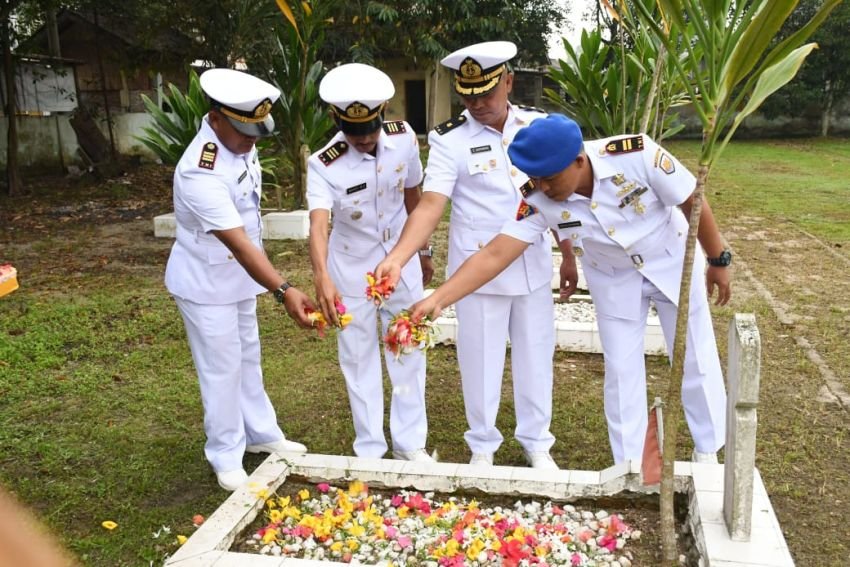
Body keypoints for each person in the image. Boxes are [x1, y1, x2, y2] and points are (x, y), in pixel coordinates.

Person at [409, 113, 731, 465]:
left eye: (549, 178)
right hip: (613, 277)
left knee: (694, 356)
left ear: (579, 161)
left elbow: (691, 200)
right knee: (621, 370)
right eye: (536, 179)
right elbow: (495, 253)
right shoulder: (538, 198)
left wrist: (717, 260)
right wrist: (438, 298)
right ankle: (631, 465)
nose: (544, 187)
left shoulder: (636, 156)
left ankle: (708, 450)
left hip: (669, 259)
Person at [374, 41, 561, 470]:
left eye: (486, 93)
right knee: (479, 360)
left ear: (509, 82)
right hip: (474, 271)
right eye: (468, 94)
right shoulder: (449, 141)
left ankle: (537, 443)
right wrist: (401, 256)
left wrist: (567, 253)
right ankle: (482, 445)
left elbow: (556, 197)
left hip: (530, 263)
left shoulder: (536, 125)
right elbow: (430, 204)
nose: (476, 103)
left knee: (536, 356)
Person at [164, 68, 315, 491]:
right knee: (221, 367)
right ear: (216, 119)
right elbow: (238, 243)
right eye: (244, 132)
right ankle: (225, 453)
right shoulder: (200, 170)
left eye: (256, 133)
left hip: (239, 278)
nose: (252, 143)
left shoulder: (237, 143)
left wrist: (269, 283)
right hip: (205, 282)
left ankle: (261, 434)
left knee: (248, 356)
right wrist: (284, 289)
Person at [307, 63, 434, 462]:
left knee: (409, 348)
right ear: (337, 121)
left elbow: (415, 196)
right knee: (358, 355)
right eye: (353, 132)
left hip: (402, 261)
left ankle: (410, 444)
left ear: (383, 113)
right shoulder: (323, 164)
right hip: (351, 269)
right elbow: (318, 224)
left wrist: (423, 251)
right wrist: (321, 274)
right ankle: (369, 447)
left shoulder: (404, 139)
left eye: (370, 129)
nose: (363, 139)